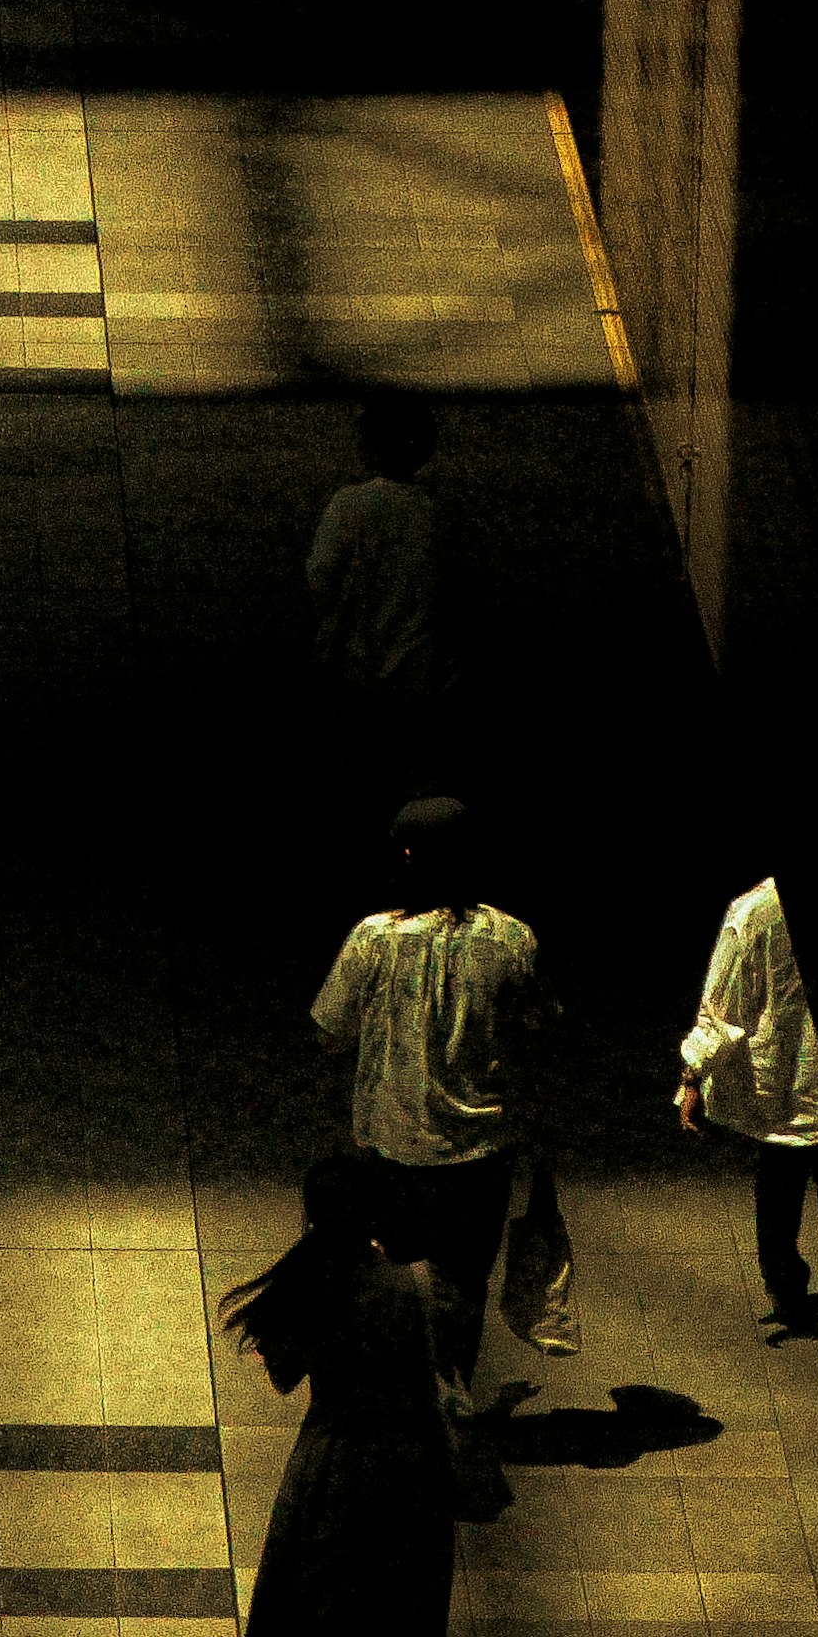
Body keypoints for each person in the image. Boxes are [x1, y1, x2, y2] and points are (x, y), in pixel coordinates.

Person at [225, 1148, 455, 1637]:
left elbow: (285, 1378)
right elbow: (441, 1367)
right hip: (410, 1465)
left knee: (333, 1614)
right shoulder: (415, 1284)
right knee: (405, 1598)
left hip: (335, 1463)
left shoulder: (307, 1288)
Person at [310, 798, 550, 1391]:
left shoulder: (374, 939)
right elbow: (538, 1028)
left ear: (409, 856)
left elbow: (328, 1032)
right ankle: (455, 1405)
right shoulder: (514, 938)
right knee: (465, 1286)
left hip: (392, 1148)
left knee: (393, 1282)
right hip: (481, 1154)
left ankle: (401, 1407)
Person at [676, 870, 818, 1363]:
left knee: (778, 1195)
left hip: (779, 1095)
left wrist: (691, 1077)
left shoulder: (756, 912)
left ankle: (786, 1289)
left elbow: (722, 1014)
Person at [304, 393, 448, 833]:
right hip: (430, 671)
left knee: (362, 771)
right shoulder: (440, 511)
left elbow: (320, 578)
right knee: (421, 775)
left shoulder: (350, 505)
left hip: (360, 666)